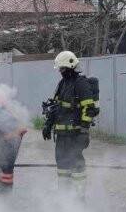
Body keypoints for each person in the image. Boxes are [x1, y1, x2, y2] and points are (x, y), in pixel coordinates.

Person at [42, 51, 99, 196]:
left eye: (62, 68)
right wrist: (48, 124)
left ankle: (79, 198)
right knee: (62, 167)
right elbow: (55, 105)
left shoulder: (81, 83)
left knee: (76, 166)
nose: (60, 72)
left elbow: (89, 108)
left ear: (70, 66)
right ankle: (65, 199)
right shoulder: (62, 83)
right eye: (60, 69)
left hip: (75, 134)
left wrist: (84, 131)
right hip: (61, 135)